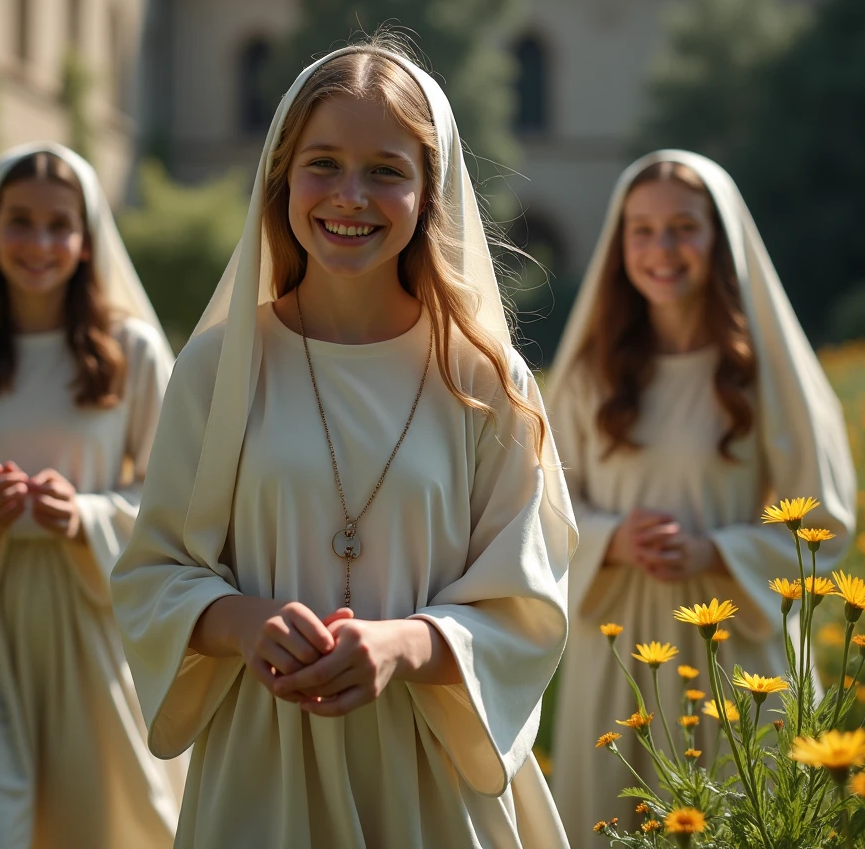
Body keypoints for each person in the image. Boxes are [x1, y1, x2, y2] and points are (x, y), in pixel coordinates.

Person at [111, 41, 578, 848]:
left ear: (429, 189)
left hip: (429, 769)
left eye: (387, 170)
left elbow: (529, 599)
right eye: (323, 163)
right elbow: (153, 575)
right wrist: (245, 622)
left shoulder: (486, 380)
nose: (350, 196)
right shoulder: (220, 366)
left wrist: (404, 645)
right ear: (281, 177)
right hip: (263, 765)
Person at [546, 151, 856, 843]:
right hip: (618, 659)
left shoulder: (771, 376)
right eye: (643, 230)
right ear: (620, 243)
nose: (662, 249)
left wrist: (714, 550)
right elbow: (540, 505)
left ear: (719, 240)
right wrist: (610, 538)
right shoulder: (588, 374)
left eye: (683, 227)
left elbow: (826, 528)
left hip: (742, 664)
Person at [0, 143, 186, 849]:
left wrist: (84, 516)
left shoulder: (133, 354)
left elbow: (182, 495)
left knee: (108, 829)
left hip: (96, 634)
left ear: (86, 241)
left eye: (60, 225)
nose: (40, 243)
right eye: (21, 222)